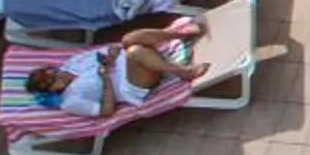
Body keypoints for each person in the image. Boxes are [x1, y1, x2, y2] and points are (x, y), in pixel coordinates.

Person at [21, 20, 206, 116]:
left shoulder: (72, 64)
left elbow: (111, 49)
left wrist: (111, 57)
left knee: (128, 39)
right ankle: (183, 72)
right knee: (134, 52)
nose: (58, 74)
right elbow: (106, 111)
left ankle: (178, 34)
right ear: (52, 90)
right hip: (132, 83)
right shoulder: (70, 101)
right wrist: (106, 80)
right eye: (53, 80)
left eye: (53, 71)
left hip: (128, 59)